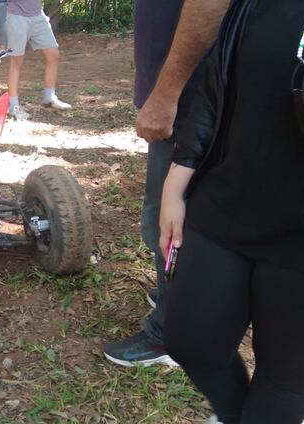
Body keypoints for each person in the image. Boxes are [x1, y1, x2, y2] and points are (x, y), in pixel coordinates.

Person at [160, 0, 304, 424]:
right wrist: (177, 179)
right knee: (191, 341)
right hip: (230, 200)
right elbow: (218, 86)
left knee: (283, 377)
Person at [102, 0, 231, 367]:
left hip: (193, 99)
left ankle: (170, 335)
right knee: (173, 219)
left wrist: (167, 93)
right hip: (195, 93)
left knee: (170, 223)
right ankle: (178, 300)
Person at [4, 0, 71, 121]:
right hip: (17, 17)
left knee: (53, 54)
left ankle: (49, 97)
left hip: (38, 16)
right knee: (16, 62)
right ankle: (14, 107)